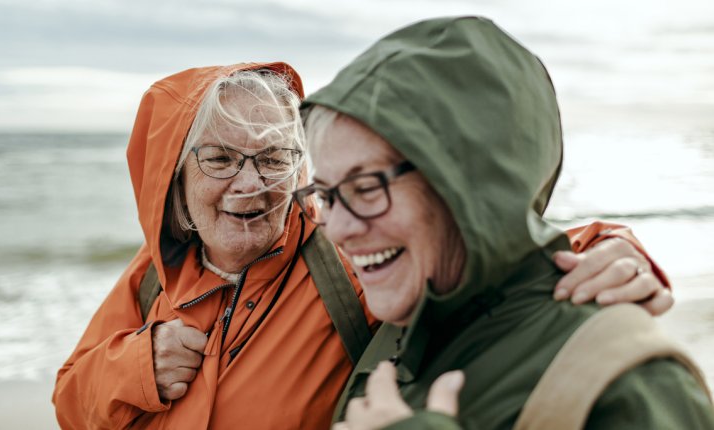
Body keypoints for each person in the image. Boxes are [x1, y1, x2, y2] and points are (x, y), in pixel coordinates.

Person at [53, 61, 671, 429]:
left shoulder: (343, 253)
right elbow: (70, 402)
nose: (250, 183)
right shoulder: (153, 272)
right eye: (218, 159)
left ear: (300, 168)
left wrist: (611, 248)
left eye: (272, 158)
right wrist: (138, 367)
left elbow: (480, 251)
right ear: (174, 181)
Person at [294, 16, 714, 429]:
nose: (337, 229)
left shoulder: (632, 381)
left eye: (365, 188)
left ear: (469, 184)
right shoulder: (404, 332)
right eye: (327, 195)